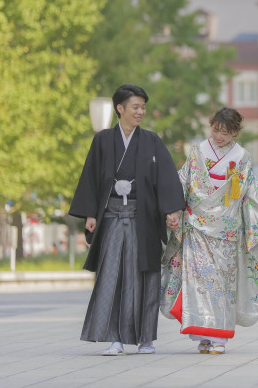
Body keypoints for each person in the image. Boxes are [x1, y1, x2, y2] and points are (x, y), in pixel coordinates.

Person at [69, 84, 185, 356]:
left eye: (143, 107)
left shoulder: (152, 141)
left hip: (141, 217)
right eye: (135, 107)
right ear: (120, 108)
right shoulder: (103, 140)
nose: (141, 111)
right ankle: (115, 339)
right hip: (111, 217)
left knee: (145, 276)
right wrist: (90, 213)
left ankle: (146, 339)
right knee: (111, 275)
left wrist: (171, 210)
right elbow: (91, 178)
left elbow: (166, 177)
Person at [160, 107, 258, 355]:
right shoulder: (198, 151)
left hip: (226, 232)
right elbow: (183, 181)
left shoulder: (242, 157)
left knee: (222, 285)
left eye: (226, 133)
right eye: (216, 130)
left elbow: (252, 190)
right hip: (197, 227)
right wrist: (171, 208)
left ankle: (220, 338)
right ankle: (202, 335)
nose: (219, 136)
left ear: (236, 133)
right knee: (198, 283)